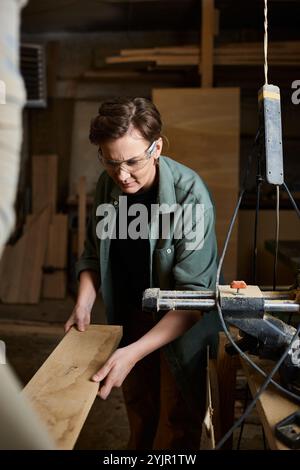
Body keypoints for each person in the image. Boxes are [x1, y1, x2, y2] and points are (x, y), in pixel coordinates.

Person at [65, 97, 220, 450]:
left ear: (157, 147)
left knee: (175, 424)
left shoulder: (189, 197)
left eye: (133, 161)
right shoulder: (110, 185)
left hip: (179, 327)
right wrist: (85, 304)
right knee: (140, 411)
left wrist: (133, 353)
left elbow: (193, 302)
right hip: (131, 313)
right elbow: (92, 253)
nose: (122, 174)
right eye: (110, 161)